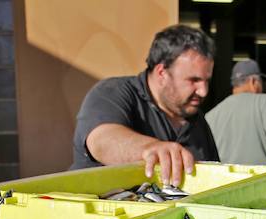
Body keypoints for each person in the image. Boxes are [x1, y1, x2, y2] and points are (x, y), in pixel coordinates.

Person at [70, 25, 219, 186]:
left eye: (207, 81)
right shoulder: (113, 92)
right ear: (162, 73)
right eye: (194, 80)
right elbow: (102, 140)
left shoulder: (197, 119)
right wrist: (150, 148)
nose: (203, 91)